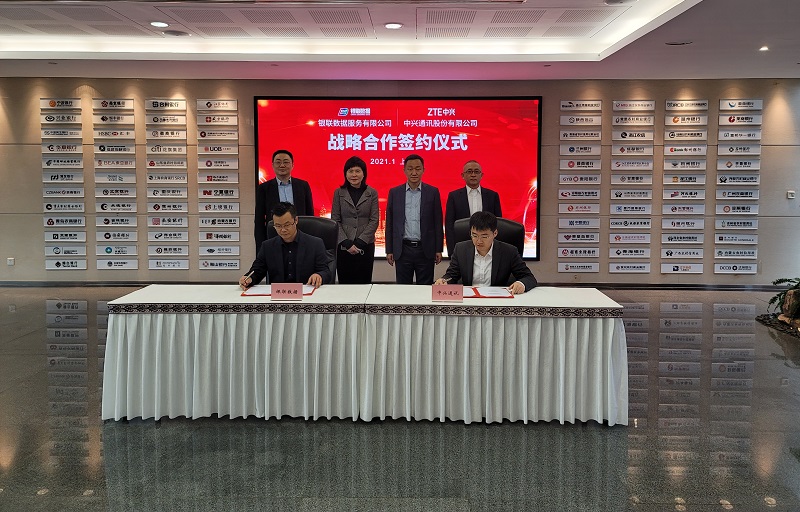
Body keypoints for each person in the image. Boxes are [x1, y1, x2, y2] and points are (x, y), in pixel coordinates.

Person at [434, 211, 536, 294]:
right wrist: (444, 280)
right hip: (469, 300)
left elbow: (529, 277)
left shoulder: (509, 251)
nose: (479, 241)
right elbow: (452, 275)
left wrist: (521, 284)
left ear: (495, 233)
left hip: (496, 300)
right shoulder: (460, 249)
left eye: (484, 236)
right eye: (474, 235)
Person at [240, 202, 331, 289]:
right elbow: (257, 271)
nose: (283, 230)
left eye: (287, 225)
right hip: (278, 295)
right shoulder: (267, 246)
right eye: (278, 226)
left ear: (296, 220)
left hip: (306, 293)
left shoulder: (315, 244)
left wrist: (319, 275)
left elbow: (326, 272)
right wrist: (249, 278)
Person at [385, 154, 443, 285]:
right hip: (403, 249)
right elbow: (390, 223)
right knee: (403, 288)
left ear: (423, 170)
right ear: (404, 170)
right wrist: (389, 250)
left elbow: (438, 222)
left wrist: (438, 249)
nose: (414, 172)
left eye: (418, 169)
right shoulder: (395, 192)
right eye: (410, 169)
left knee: (425, 288)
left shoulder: (433, 192)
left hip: (425, 249)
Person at [330, 156, 379, 284]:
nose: (354, 175)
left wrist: (360, 242)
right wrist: (346, 242)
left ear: (364, 173)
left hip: (365, 245)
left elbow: (374, 220)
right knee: (345, 284)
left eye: (357, 171)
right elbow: (335, 220)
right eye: (350, 171)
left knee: (364, 283)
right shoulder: (338, 193)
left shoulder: (372, 193)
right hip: (344, 246)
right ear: (345, 174)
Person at [254, 149, 314, 253]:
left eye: (286, 162)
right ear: (273, 165)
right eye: (278, 162)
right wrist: (261, 247)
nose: (282, 165)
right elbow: (259, 220)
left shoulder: (303, 186)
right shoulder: (264, 188)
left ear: (292, 165)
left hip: (300, 237)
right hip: (274, 238)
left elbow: (310, 215)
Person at [444, 160, 502, 256]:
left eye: (476, 172)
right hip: (462, 244)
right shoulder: (454, 196)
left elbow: (498, 222)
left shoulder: (492, 196)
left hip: (487, 245)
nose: (473, 175)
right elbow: (449, 225)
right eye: (469, 172)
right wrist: (451, 251)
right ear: (463, 175)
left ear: (481, 175)